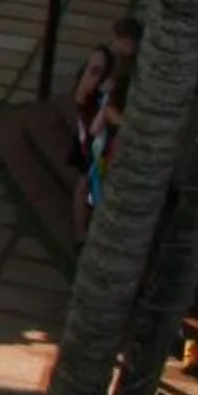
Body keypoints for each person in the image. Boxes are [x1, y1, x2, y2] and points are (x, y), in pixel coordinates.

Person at [71, 18, 140, 240]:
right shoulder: (104, 60)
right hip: (96, 134)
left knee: (95, 186)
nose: (127, 48)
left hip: (109, 135)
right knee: (87, 186)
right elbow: (82, 97)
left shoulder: (133, 66)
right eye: (125, 42)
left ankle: (90, 231)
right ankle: (82, 236)